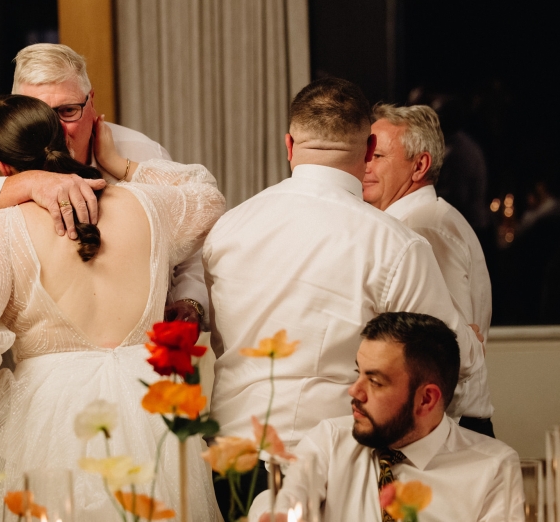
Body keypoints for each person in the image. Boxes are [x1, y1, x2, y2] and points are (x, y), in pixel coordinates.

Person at [0, 95, 226, 521]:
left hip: (49, 414)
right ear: (63, 143)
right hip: (151, 402)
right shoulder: (147, 204)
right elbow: (208, 198)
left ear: (2, 169)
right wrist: (120, 164)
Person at [204, 78, 485, 517]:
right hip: (333, 467)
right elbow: (450, 358)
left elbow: (221, 336)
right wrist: (469, 339)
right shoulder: (394, 244)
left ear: (289, 144)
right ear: (369, 147)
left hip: (228, 457)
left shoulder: (228, 228)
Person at [0, 43, 208, 327]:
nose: (55, 131)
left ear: (91, 103)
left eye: (67, 111)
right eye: (38, 115)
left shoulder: (140, 151)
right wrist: (26, 182)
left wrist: (190, 298)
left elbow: (196, 235)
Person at [251, 312, 524, 522]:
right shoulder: (331, 440)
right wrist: (274, 511)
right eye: (358, 373)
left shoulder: (494, 468)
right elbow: (289, 494)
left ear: (426, 399)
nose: (354, 390)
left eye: (375, 381)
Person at [363, 103, 494, 437]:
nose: (364, 165)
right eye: (364, 154)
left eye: (377, 156)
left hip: (447, 432)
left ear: (419, 165)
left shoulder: (423, 228)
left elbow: (451, 352)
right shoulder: (420, 221)